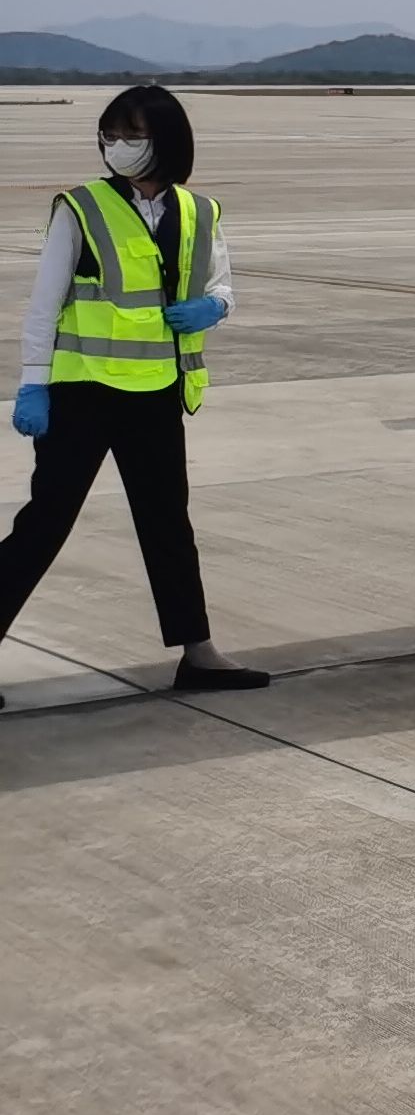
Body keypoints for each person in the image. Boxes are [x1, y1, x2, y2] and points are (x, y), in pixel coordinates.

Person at [4, 84, 268, 702]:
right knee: (46, 522)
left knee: (167, 523)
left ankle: (198, 654)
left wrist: (212, 308)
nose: (118, 147)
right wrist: (31, 385)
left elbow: (224, 286)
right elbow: (43, 307)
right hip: (82, 393)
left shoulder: (200, 212)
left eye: (133, 135)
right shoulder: (81, 207)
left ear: (167, 141)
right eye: (110, 135)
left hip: (154, 390)